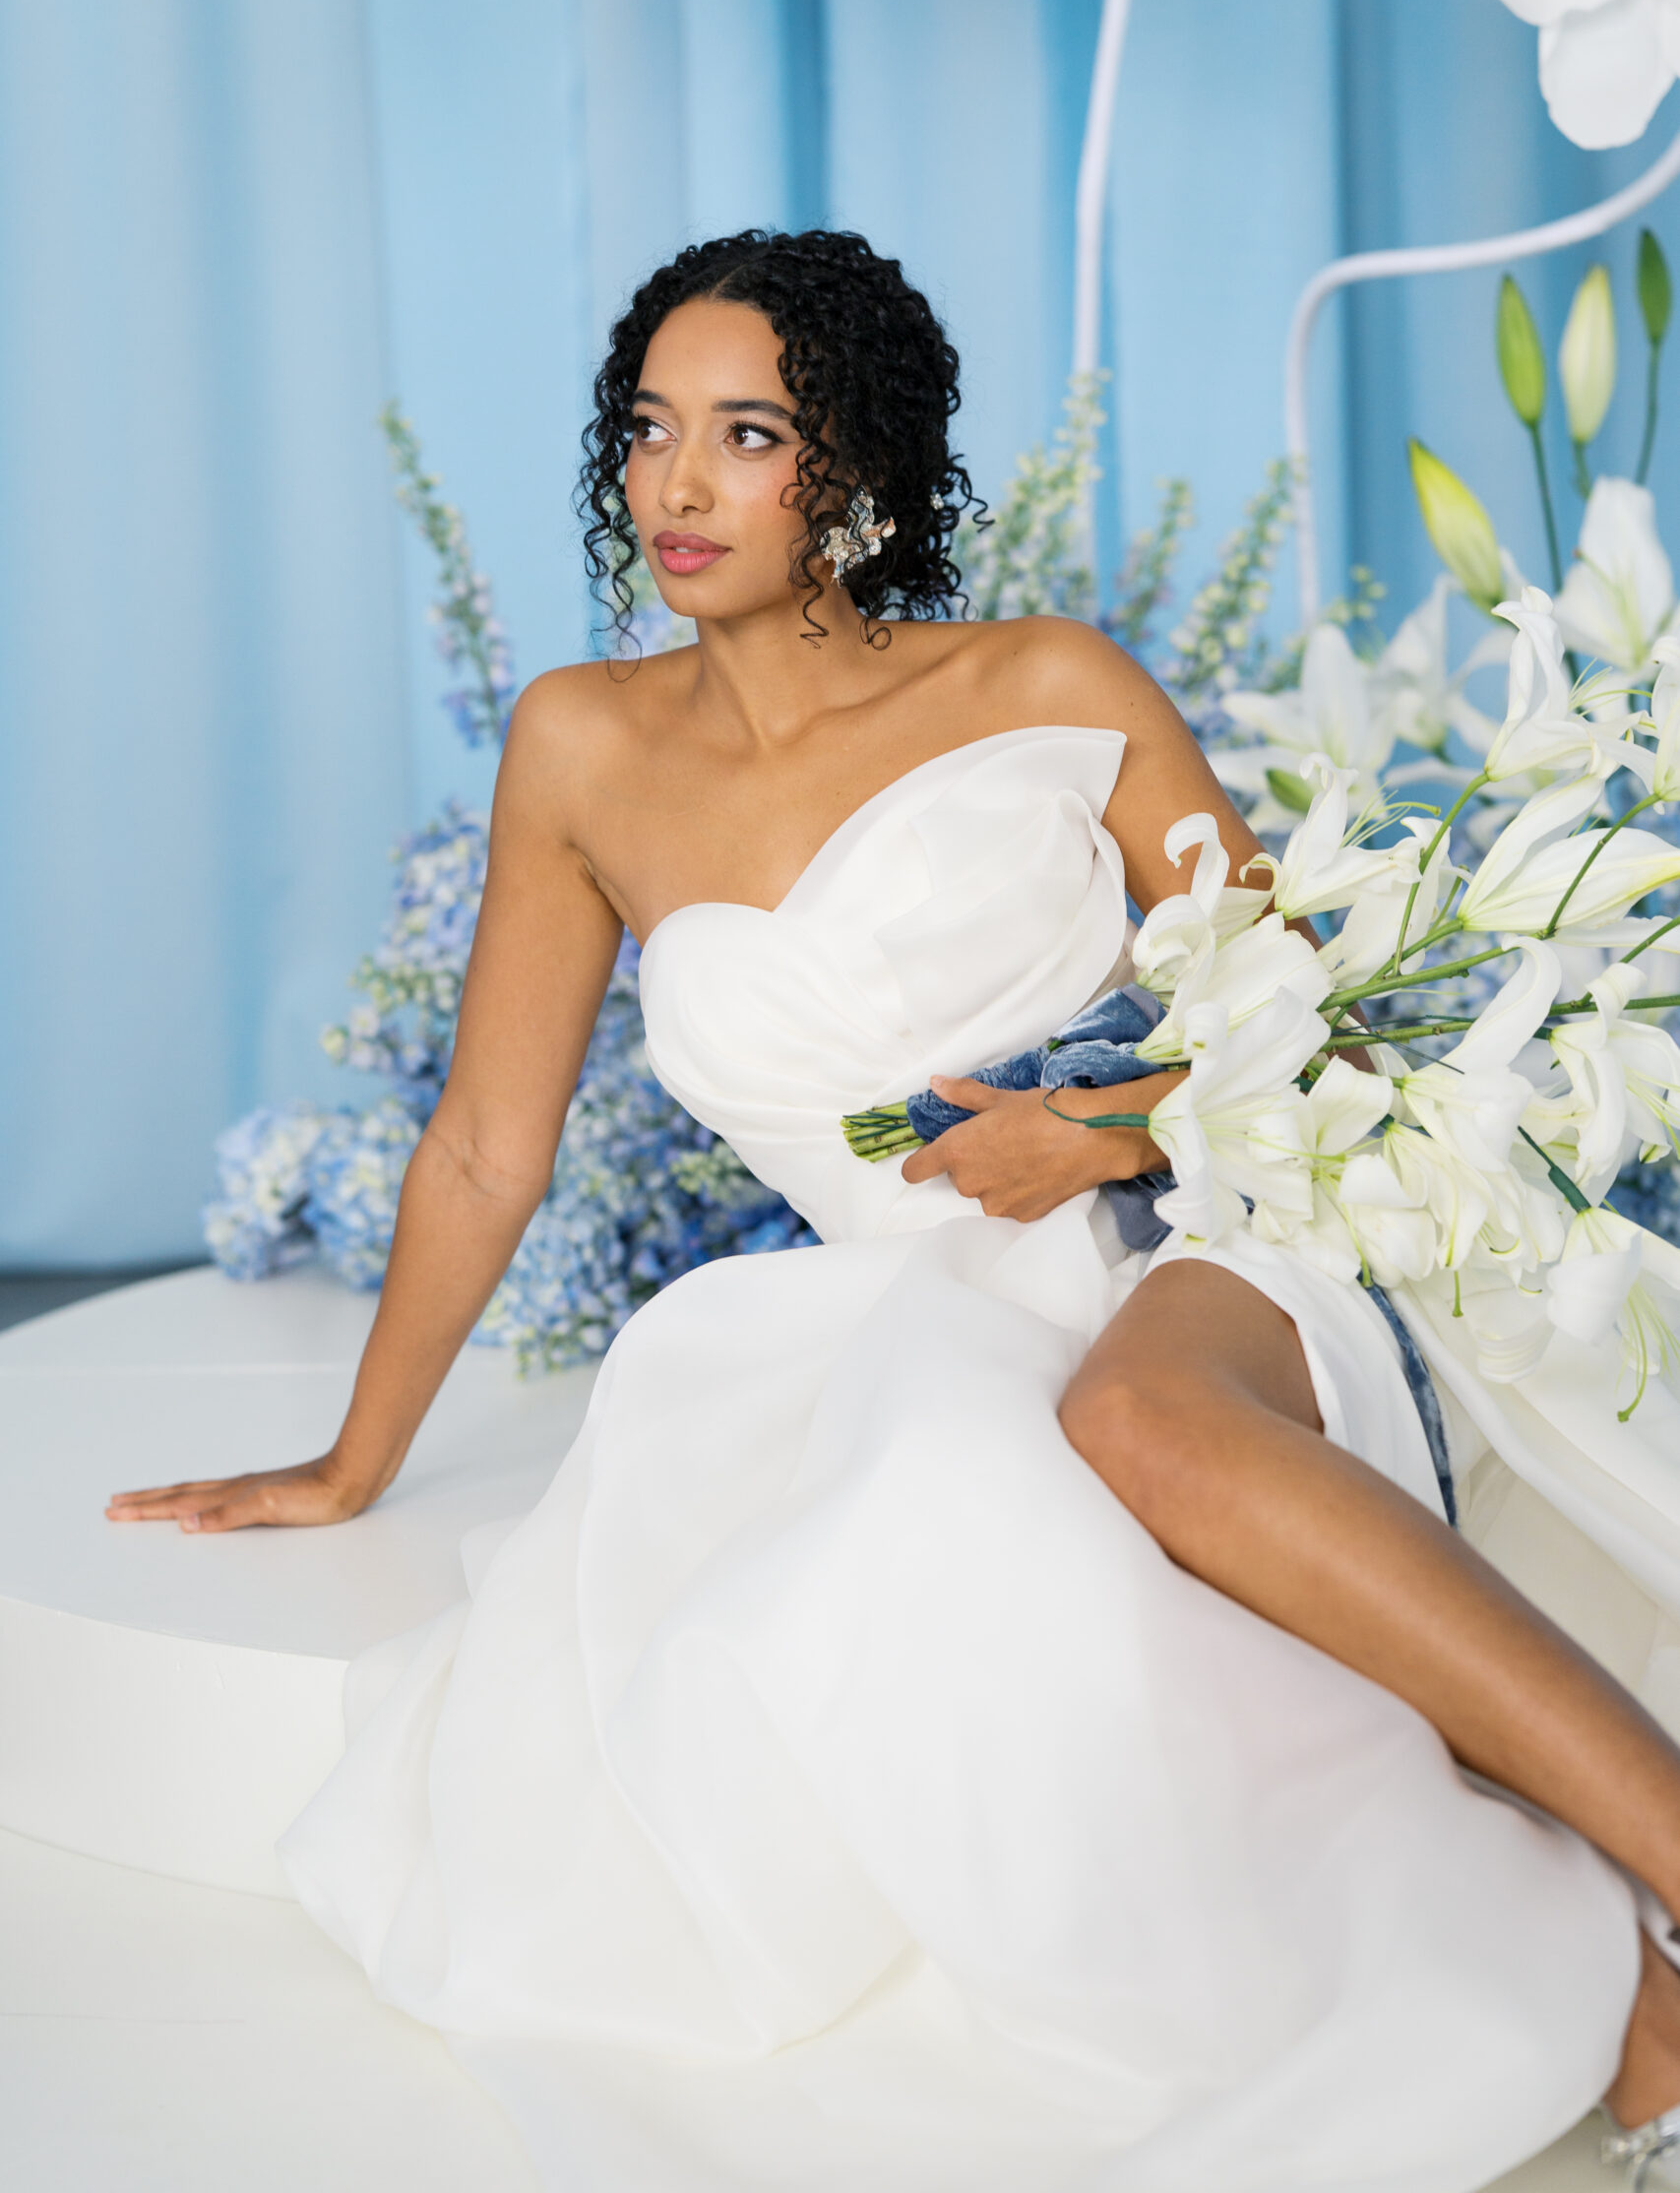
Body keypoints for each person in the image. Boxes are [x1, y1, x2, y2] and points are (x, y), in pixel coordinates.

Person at [110, 229, 1680, 2192]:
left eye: (744, 433)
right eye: (649, 431)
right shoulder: (580, 750)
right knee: (945, 1499)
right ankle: (1587, 1973)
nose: (676, 485)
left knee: (1128, 1417)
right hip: (897, 1305)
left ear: (849, 470)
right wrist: (351, 1464)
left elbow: (1309, 1029)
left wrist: (1100, 1137)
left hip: (1203, 1227)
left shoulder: (1047, 682)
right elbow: (482, 1151)